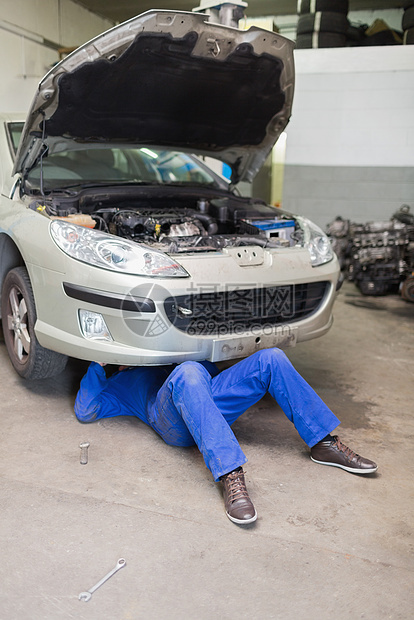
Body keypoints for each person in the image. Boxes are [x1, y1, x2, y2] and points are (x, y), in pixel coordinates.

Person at [74, 348, 378, 525]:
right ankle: (230, 473)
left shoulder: (167, 351)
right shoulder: (119, 382)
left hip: (205, 399)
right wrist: (99, 364)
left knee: (270, 358)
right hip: (172, 423)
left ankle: (323, 442)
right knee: (188, 373)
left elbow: (210, 368)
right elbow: (86, 410)